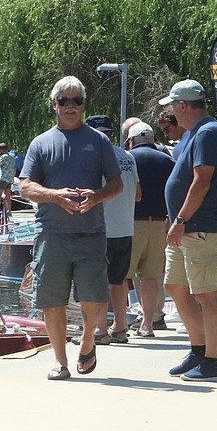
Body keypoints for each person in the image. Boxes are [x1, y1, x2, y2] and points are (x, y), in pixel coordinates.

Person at [19, 75, 123, 381]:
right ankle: (60, 362)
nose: (70, 106)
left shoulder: (99, 141)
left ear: (84, 104)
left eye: (76, 100)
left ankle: (88, 339)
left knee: (95, 298)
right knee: (52, 298)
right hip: (51, 233)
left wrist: (98, 196)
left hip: (91, 232)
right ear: (54, 104)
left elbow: (116, 184)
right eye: (63, 101)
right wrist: (55, 196)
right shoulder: (40, 143)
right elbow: (25, 187)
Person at [160, 79, 217, 382]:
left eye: (172, 106)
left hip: (199, 226)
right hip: (187, 227)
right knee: (174, 286)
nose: (171, 113)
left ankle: (213, 362)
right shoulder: (195, 133)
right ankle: (198, 350)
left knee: (205, 293)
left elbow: (202, 180)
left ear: (182, 106)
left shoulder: (209, 132)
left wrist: (181, 219)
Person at [86, 115, 140, 345]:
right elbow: (138, 194)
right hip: (126, 227)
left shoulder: (95, 158)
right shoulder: (128, 156)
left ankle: (100, 330)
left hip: (103, 229)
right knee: (118, 281)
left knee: (97, 281)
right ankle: (120, 327)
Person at [125, 121, 175, 337]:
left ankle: (119, 324)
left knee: (121, 276)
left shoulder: (128, 160)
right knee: (152, 275)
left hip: (131, 222)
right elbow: (176, 191)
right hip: (160, 222)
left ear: (132, 140)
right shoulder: (168, 160)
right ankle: (150, 321)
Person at [0, 142, 16, 218]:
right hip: (9, 179)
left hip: (3, 178)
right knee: (8, 196)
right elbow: (14, 168)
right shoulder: (12, 157)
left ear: (2, 150)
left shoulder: (3, 157)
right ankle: (9, 211)